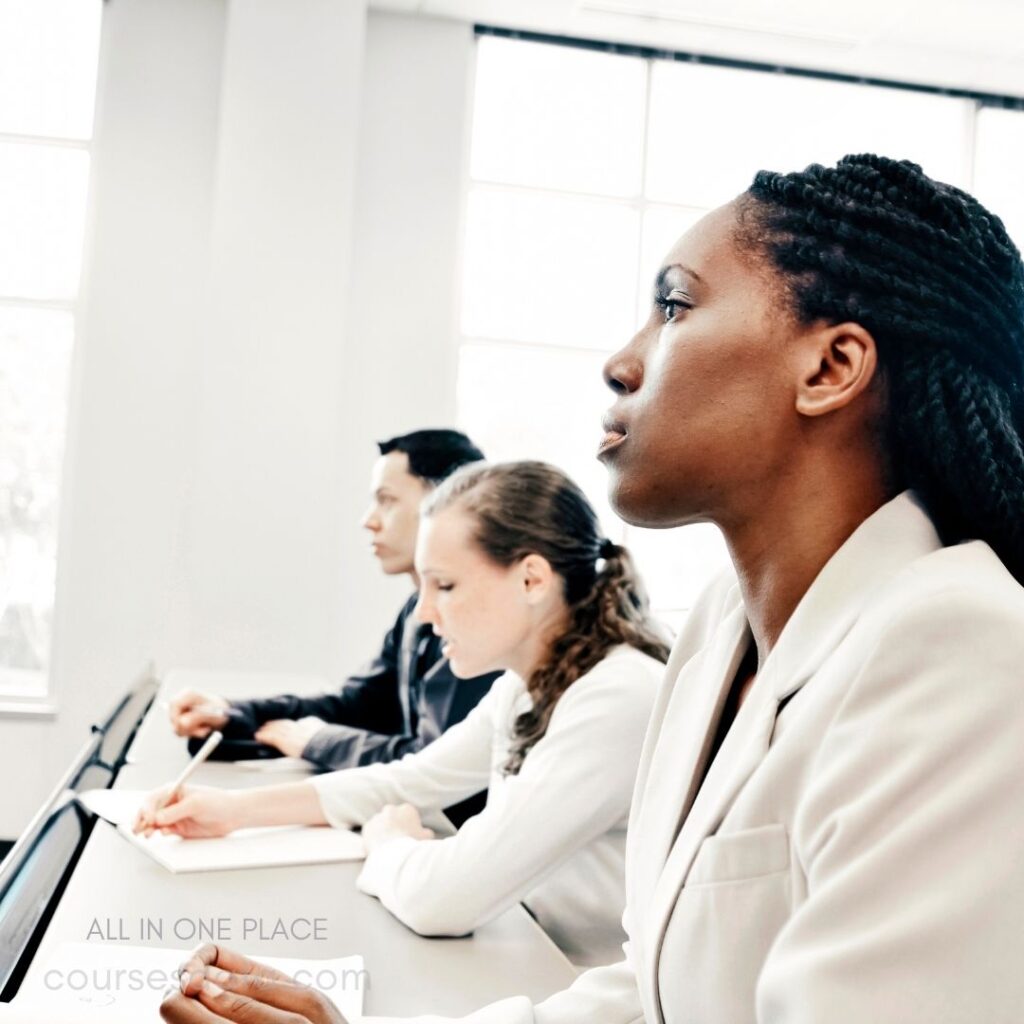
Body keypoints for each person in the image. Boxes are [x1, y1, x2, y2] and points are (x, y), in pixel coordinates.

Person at [160, 153, 1024, 1024]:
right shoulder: (722, 632)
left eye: (676, 307)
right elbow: (655, 993)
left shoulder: (964, 647)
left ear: (830, 367)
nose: (621, 362)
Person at [139, 461, 670, 968]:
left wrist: (388, 843)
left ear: (532, 579)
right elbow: (415, 779)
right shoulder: (527, 683)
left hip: (579, 986)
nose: (423, 611)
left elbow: (445, 901)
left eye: (445, 585)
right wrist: (235, 812)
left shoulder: (615, 696)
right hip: (529, 956)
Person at [167, 430, 500, 788]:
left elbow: (432, 764)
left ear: (446, 504)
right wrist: (235, 714)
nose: (368, 520)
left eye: (386, 501)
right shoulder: (414, 612)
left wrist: (315, 741)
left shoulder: (479, 622)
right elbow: (358, 705)